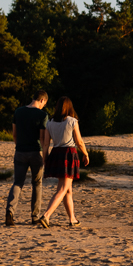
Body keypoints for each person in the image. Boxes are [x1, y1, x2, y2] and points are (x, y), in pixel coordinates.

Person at [40, 96, 90, 228]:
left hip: (56, 154)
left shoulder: (49, 123)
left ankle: (72, 219)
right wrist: (85, 153)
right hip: (69, 154)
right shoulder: (72, 121)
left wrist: (45, 158)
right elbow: (79, 141)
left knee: (68, 189)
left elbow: (45, 144)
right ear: (69, 107)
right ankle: (46, 215)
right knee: (63, 189)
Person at [5, 90, 49, 226]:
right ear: (42, 100)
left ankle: (10, 211)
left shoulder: (18, 112)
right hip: (35, 152)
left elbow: (14, 134)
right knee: (37, 184)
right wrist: (45, 155)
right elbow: (42, 138)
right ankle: (35, 216)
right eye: (44, 103)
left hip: (20, 152)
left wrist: (19, 146)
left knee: (17, 183)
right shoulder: (42, 115)